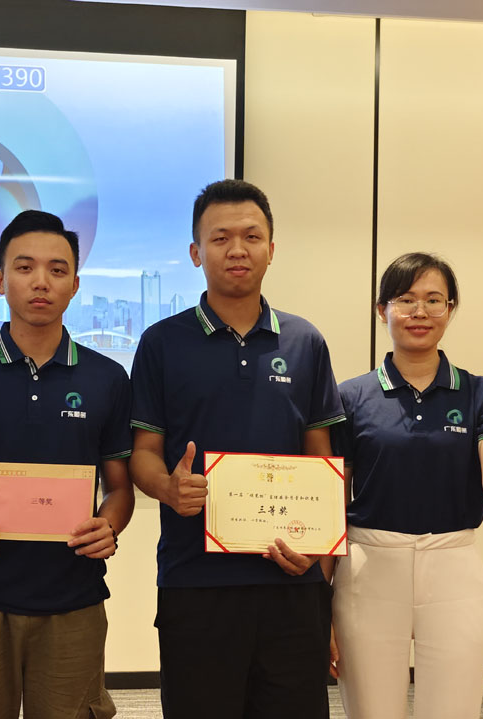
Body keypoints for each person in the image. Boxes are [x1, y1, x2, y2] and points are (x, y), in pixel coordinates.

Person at [129, 179, 345, 719]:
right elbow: (143, 453)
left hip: (290, 578)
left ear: (271, 248)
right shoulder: (161, 342)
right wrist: (168, 487)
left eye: (251, 236)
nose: (237, 250)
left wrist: (319, 556)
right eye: (220, 238)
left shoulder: (305, 341)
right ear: (196, 252)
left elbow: (323, 461)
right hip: (195, 580)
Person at [0, 210, 134, 719]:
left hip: (74, 599)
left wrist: (109, 525)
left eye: (57, 270)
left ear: (75, 285)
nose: (41, 282)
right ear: (0, 280)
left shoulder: (107, 378)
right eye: (24, 267)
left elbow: (120, 488)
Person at [330, 252, 483, 719]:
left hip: (453, 564)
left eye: (433, 300)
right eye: (405, 299)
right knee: (372, 710)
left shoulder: (480, 392)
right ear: (381, 310)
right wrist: (320, 603)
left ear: (450, 309)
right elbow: (332, 505)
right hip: (368, 565)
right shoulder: (351, 396)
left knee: (454, 708)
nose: (419, 311)